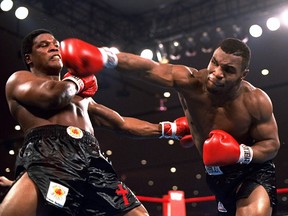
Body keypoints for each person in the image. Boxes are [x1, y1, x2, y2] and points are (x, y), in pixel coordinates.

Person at [60, 38, 280, 215]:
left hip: (252, 172)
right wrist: (105, 56)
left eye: (229, 70)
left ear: (243, 75)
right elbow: (149, 69)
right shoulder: (191, 82)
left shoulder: (255, 100)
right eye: (215, 62)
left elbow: (271, 144)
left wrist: (240, 153)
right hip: (216, 177)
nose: (217, 72)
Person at [1, 29, 192, 216]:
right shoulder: (20, 80)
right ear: (29, 58)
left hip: (92, 160)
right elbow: (52, 96)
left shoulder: (79, 95)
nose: (53, 48)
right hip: (49, 156)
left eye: (56, 45)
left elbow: (121, 123)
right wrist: (78, 79)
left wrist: (171, 129)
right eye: (44, 45)